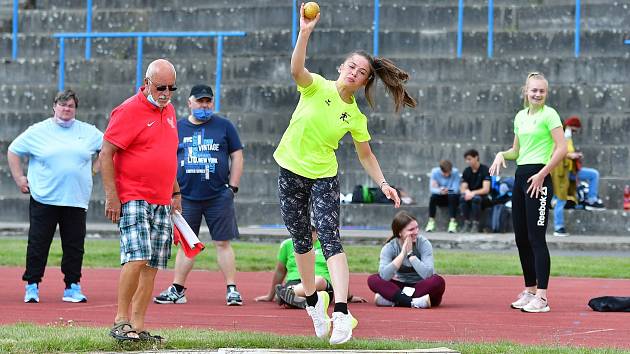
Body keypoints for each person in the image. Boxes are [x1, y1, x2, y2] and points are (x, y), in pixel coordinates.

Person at [272, 3, 414, 345]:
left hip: (323, 176)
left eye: (361, 71)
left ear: (366, 80)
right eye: (351, 66)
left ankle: (340, 312)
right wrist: (305, 33)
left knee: (330, 238)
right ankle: (312, 302)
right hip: (290, 169)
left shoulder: (355, 117)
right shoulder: (316, 86)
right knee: (301, 241)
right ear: (341, 67)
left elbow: (365, 154)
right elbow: (295, 69)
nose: (354, 72)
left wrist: (383, 183)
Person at [100, 59, 181, 342]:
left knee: (153, 265)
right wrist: (112, 196)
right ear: (146, 83)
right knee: (137, 257)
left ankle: (137, 325)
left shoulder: (169, 111)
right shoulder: (128, 110)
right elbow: (105, 153)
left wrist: (176, 193)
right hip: (133, 196)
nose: (166, 93)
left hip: (162, 200)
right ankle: (120, 321)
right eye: (161, 87)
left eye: (172, 88)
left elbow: (167, 155)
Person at [7, 89, 103, 304]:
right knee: (38, 243)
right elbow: (13, 150)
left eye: (70, 105)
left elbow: (107, 150)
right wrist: (20, 178)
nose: (66, 109)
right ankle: (32, 285)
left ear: (75, 109)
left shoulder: (88, 132)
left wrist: (94, 170)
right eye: (62, 105)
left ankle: (72, 286)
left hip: (75, 198)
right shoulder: (38, 131)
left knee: (74, 245)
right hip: (44, 197)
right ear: (54, 107)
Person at [153, 84, 244, 306]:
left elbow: (237, 155)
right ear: (190, 103)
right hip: (186, 197)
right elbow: (167, 158)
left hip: (217, 196)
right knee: (187, 243)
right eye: (200, 101)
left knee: (222, 242)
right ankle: (178, 289)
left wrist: (232, 188)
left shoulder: (224, 126)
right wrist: (172, 191)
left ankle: (232, 289)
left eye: (208, 101)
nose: (204, 105)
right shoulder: (178, 127)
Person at [489, 72, 567, 313]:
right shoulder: (520, 116)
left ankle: (542, 298)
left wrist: (543, 174)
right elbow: (516, 151)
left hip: (539, 180)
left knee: (536, 238)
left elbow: (562, 148)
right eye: (533, 90)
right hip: (521, 177)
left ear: (546, 92)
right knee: (521, 238)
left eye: (541, 91)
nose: (537, 94)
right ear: (526, 91)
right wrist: (502, 154)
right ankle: (530, 290)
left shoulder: (550, 114)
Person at [254, 226, 366, 309]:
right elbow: (280, 271)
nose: (311, 233)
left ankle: (288, 294)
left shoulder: (328, 246)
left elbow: (338, 271)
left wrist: (348, 296)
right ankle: (303, 301)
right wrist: (270, 296)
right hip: (295, 280)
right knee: (315, 296)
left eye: (313, 230)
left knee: (318, 281)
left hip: (322, 285)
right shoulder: (287, 245)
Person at [367, 211, 446, 309]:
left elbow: (428, 274)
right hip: (399, 287)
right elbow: (384, 276)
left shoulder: (423, 243)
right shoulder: (389, 247)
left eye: (417, 228)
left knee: (438, 281)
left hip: (421, 287)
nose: (416, 232)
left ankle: (395, 301)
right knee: (373, 279)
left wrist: (410, 255)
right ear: (400, 232)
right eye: (411, 229)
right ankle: (413, 302)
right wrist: (402, 254)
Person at [563, 116, 605, 211]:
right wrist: (570, 155)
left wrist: (575, 155)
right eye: (574, 130)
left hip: (571, 169)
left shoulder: (568, 138)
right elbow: (557, 152)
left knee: (593, 175)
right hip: (564, 171)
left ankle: (589, 200)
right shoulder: (562, 136)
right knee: (594, 174)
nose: (575, 133)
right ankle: (591, 200)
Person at [459, 149, 492, 233]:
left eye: (469, 159)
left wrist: (472, 193)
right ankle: (467, 223)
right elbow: (463, 188)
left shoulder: (485, 169)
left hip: (483, 197)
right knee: (462, 198)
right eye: (466, 159)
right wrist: (467, 193)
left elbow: (486, 189)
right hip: (470, 195)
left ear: (476, 157)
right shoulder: (467, 171)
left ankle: (476, 224)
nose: (467, 161)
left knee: (476, 199)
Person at [425, 160, 461, 233]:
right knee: (433, 197)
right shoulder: (435, 172)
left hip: (451, 197)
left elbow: (456, 189)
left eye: (449, 172)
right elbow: (432, 189)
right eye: (445, 173)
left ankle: (452, 222)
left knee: (452, 196)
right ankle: (431, 221)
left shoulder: (455, 172)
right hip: (440, 195)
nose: (447, 175)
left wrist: (446, 190)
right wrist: (440, 191)